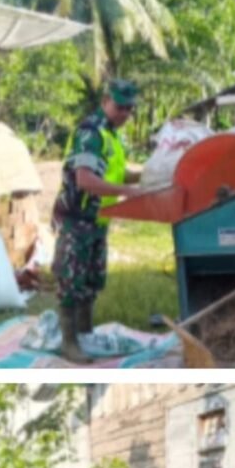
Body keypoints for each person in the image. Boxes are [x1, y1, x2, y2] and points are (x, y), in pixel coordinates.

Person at [51, 79, 145, 363]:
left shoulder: (113, 135)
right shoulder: (90, 132)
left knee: (91, 281)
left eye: (129, 109)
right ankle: (69, 342)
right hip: (77, 219)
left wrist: (146, 174)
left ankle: (85, 335)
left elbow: (114, 173)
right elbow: (86, 179)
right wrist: (127, 191)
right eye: (120, 107)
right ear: (106, 101)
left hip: (98, 220)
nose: (124, 114)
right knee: (71, 281)